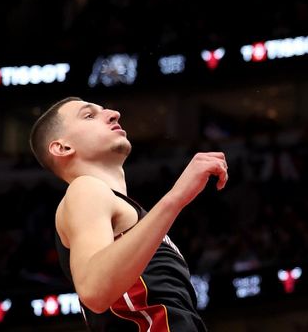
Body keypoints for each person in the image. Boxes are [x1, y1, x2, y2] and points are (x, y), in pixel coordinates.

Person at [29, 97, 228, 331]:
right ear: (62, 147)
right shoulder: (85, 189)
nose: (114, 114)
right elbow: (94, 290)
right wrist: (176, 197)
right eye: (89, 115)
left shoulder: (123, 210)